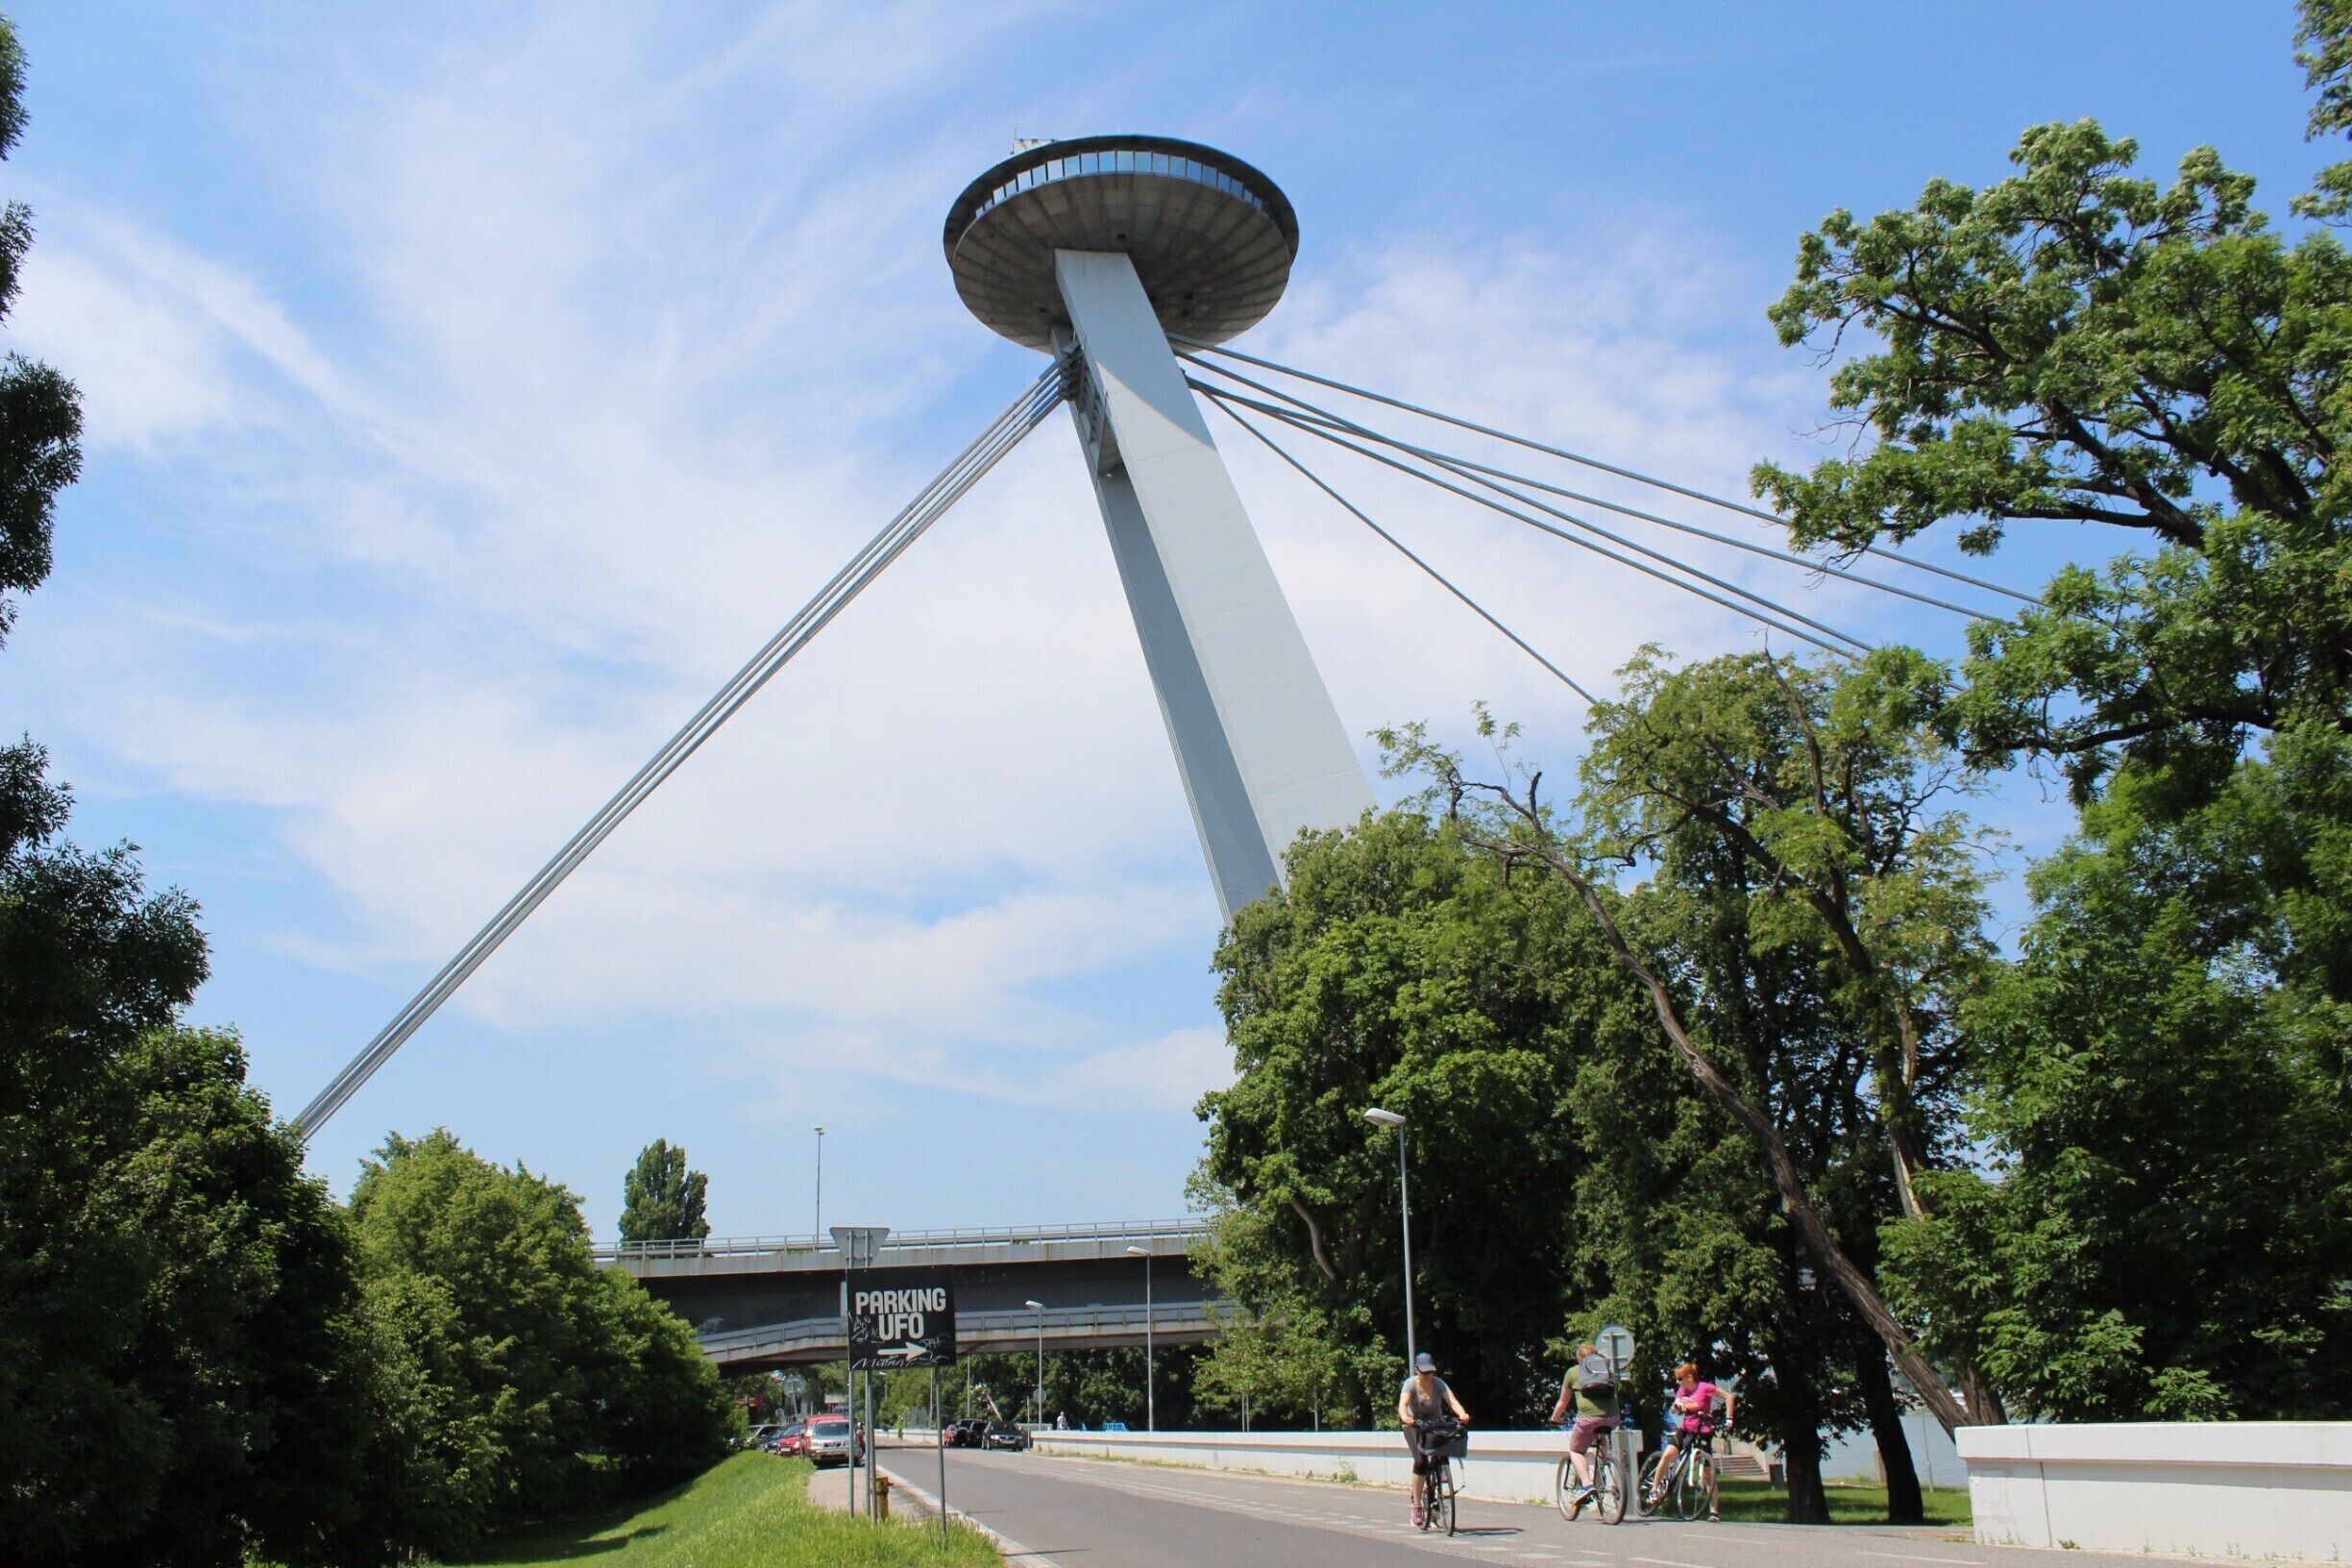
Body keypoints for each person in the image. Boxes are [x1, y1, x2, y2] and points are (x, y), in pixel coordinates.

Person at [1547, 1340, 1621, 1520]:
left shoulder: (1573, 1371)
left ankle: (1587, 1484)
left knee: (1576, 1450)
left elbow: (1563, 1402)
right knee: (1600, 1434)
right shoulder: (1607, 1371)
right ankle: (1604, 1465)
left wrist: (1554, 1418)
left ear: (1579, 1357)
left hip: (1588, 1418)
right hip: (1613, 1417)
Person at [1397, 1351, 1471, 1528]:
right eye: (1424, 1372)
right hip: (1414, 1425)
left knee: (1443, 1448)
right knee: (1421, 1460)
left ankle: (1440, 1470)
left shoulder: (1438, 1383)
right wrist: (1405, 1417)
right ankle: (1416, 1505)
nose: (1428, 1375)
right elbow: (1403, 1404)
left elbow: (1452, 1401)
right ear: (1417, 1370)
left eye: (1430, 1371)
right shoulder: (1410, 1385)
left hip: (1435, 1423)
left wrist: (1462, 1414)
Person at [1647, 1362, 1727, 1520]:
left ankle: (1714, 1511)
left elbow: (1729, 1397)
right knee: (1668, 1454)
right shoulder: (1682, 1390)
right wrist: (1677, 1407)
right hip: (1685, 1431)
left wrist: (1729, 1418)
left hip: (1703, 1433)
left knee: (1706, 1473)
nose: (1677, 1382)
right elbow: (1675, 1406)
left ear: (1689, 1377)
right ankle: (1654, 1489)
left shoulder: (1705, 1388)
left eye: (1679, 1378)